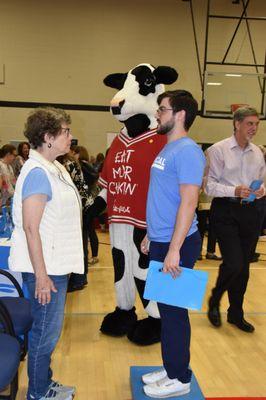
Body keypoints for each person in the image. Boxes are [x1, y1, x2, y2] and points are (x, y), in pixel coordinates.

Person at [9, 107, 84, 400]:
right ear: (47, 137)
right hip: (46, 270)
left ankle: (44, 382)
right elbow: (30, 227)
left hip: (55, 265)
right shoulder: (39, 173)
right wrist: (41, 276)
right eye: (65, 131)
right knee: (44, 334)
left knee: (47, 333)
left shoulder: (55, 167)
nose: (70, 136)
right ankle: (38, 392)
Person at [141, 90, 205, 398]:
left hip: (178, 243)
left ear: (180, 114)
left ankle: (180, 377)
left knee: (175, 311)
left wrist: (175, 249)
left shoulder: (189, 151)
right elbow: (163, 197)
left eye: (162, 109)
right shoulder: (167, 149)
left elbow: (189, 202)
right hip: (162, 239)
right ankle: (171, 367)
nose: (158, 114)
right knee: (166, 311)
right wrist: (150, 234)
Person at [205, 106, 266, 333]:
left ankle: (235, 313)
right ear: (237, 124)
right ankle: (215, 300)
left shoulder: (258, 152)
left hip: (251, 212)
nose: (254, 128)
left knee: (244, 268)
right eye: (250, 123)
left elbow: (262, 181)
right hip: (225, 211)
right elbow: (209, 186)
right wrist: (235, 191)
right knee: (234, 263)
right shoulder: (218, 150)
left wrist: (262, 191)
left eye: (257, 124)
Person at [72, 145, 100, 265]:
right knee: (91, 230)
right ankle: (94, 255)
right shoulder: (88, 165)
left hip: (85, 201)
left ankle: (88, 256)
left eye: (74, 153)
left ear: (78, 153)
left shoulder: (80, 166)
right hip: (91, 201)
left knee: (86, 231)